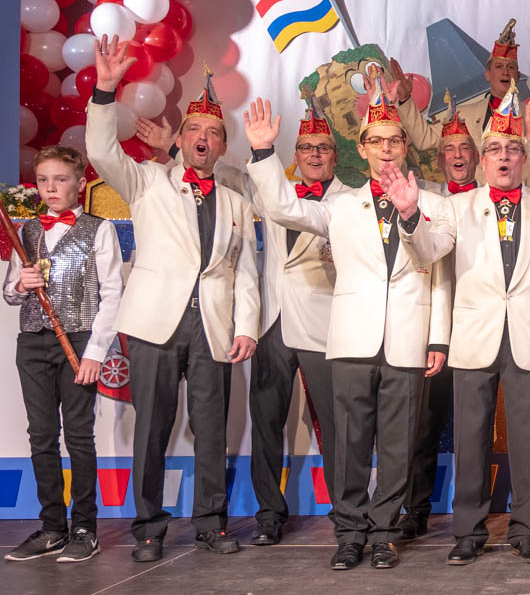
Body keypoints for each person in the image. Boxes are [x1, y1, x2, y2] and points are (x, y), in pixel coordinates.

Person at [244, 74, 446, 572]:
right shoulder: (339, 205)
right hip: (353, 339)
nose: (386, 149)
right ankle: (351, 532)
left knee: (397, 444)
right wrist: (264, 154)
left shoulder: (435, 204)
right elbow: (283, 208)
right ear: (362, 148)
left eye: (394, 140)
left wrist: (411, 214)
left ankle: (384, 533)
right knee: (350, 441)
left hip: (406, 339)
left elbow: (434, 258)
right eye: (376, 141)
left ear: (405, 145)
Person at [86, 38, 260, 563]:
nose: (204, 137)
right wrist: (105, 90)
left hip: (212, 328)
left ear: (222, 147)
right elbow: (101, 151)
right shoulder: (148, 182)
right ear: (180, 140)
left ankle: (211, 523)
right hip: (153, 325)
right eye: (195, 130)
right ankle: (148, 529)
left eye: (214, 133)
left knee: (211, 430)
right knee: (152, 429)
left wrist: (246, 325)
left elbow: (243, 271)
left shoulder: (235, 202)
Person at [433, 89, 530, 567]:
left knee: (528, 440)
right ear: (482, 160)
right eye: (494, 149)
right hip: (473, 338)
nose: (503, 157)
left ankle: (527, 531)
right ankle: (468, 532)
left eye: (512, 149)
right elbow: (434, 265)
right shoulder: (457, 207)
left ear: (524, 157)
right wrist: (412, 216)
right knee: (470, 439)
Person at [0, 144, 121, 564]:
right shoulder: (27, 231)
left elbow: (112, 294)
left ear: (80, 184)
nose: (51, 188)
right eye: (43, 180)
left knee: (79, 435)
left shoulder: (98, 229)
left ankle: (85, 527)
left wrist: (96, 353)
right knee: (41, 434)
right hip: (33, 342)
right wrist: (22, 284)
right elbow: (9, 293)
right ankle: (52, 527)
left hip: (80, 341)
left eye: (61, 179)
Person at [246, 102, 347, 548]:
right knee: (266, 423)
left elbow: (289, 210)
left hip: (323, 323)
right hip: (271, 318)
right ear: (296, 155)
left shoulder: (348, 201)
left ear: (335, 155)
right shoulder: (272, 190)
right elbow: (228, 180)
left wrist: (263, 155)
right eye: (306, 147)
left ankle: (347, 511)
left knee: (336, 423)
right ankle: (269, 514)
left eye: (323, 147)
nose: (314, 154)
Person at [396, 97, 469, 540]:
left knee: (482, 424)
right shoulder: (424, 201)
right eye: (449, 150)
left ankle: (478, 513)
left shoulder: (493, 199)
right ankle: (415, 510)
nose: (457, 156)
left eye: (465, 148)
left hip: (483, 328)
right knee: (422, 424)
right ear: (438, 160)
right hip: (434, 329)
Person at [397, 19, 522, 159]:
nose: (505, 72)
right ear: (487, 75)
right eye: (499, 66)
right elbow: (426, 139)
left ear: (518, 76)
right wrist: (405, 99)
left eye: (510, 67)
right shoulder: (464, 116)